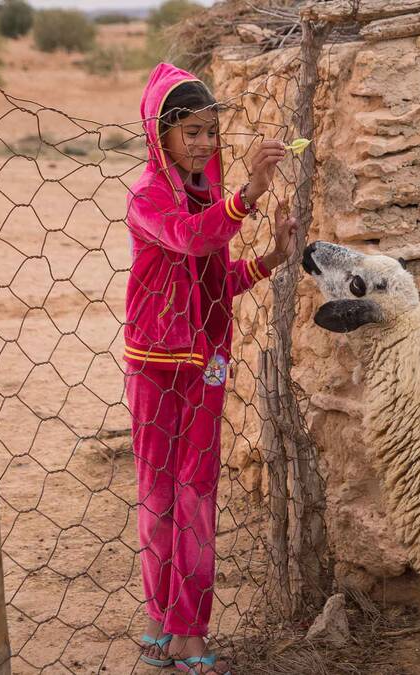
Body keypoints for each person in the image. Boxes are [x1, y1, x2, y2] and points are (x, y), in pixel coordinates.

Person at [124, 62, 294, 674]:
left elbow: (218, 285)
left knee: (196, 495)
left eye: (209, 133)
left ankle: (187, 632)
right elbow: (192, 239)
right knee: (157, 493)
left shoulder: (205, 197)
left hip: (206, 369)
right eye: (190, 132)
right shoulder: (145, 199)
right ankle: (157, 619)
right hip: (154, 365)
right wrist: (247, 196)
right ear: (160, 134)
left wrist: (271, 256)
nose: (202, 144)